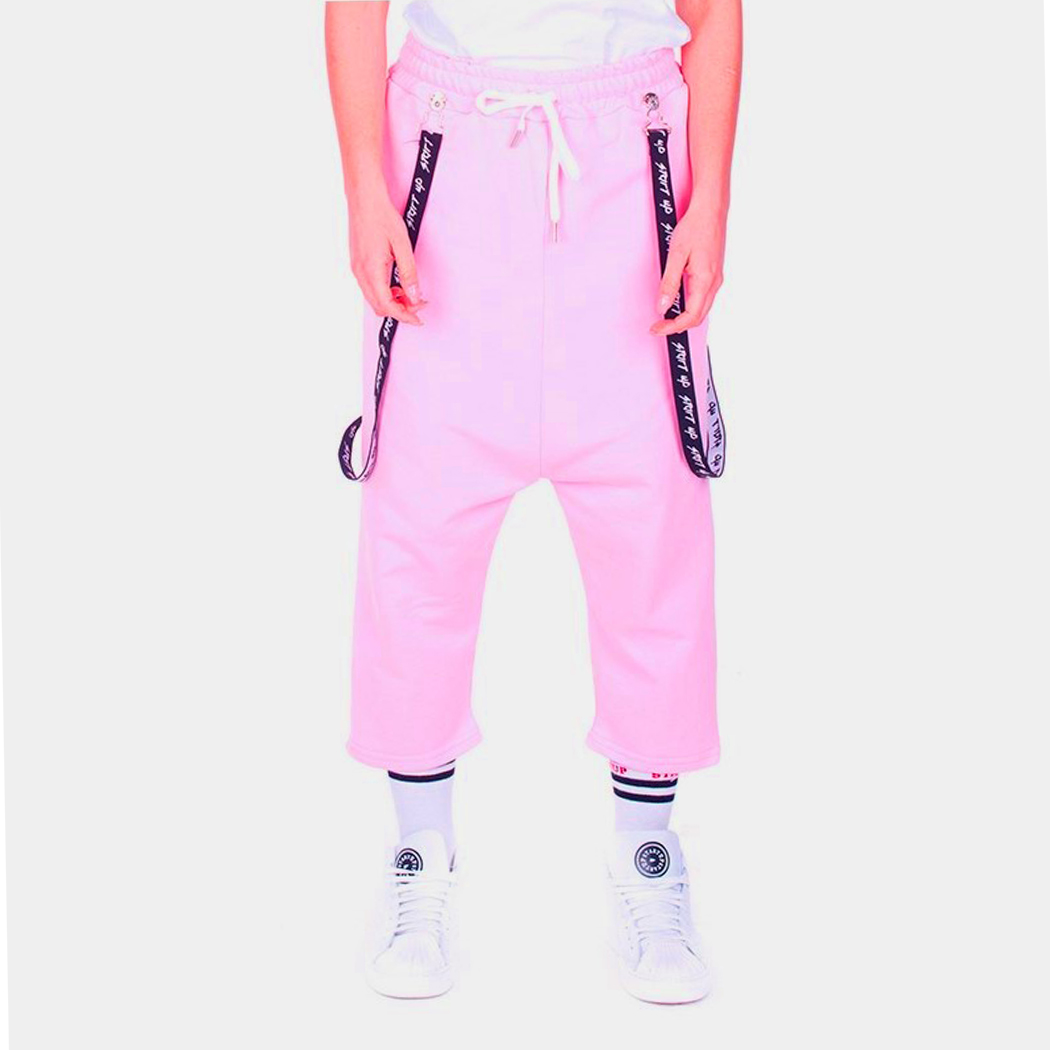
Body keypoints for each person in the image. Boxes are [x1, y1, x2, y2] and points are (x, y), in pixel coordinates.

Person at [325, 0, 741, 1003]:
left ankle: (647, 847)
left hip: (632, 159)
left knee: (652, 527)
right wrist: (363, 192)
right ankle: (420, 846)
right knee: (417, 529)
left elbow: (715, 12)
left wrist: (711, 206)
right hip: (449, 158)